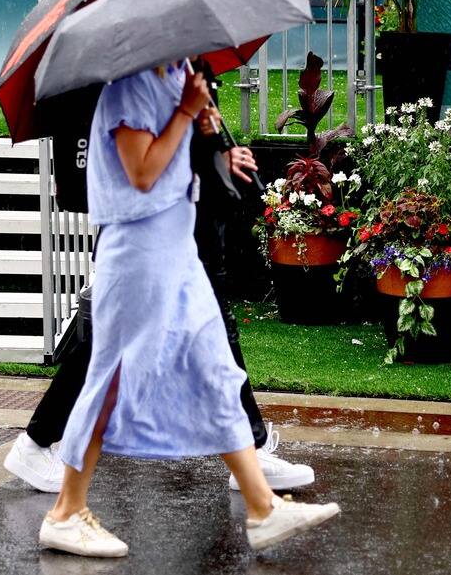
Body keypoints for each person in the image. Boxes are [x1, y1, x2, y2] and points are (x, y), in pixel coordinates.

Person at [36, 61, 338, 558]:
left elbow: (176, 158)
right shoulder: (128, 83)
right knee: (111, 377)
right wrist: (185, 113)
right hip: (137, 250)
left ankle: (262, 506)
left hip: (177, 245)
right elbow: (140, 172)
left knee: (216, 367)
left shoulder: (175, 77)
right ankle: (66, 511)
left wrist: (207, 139)